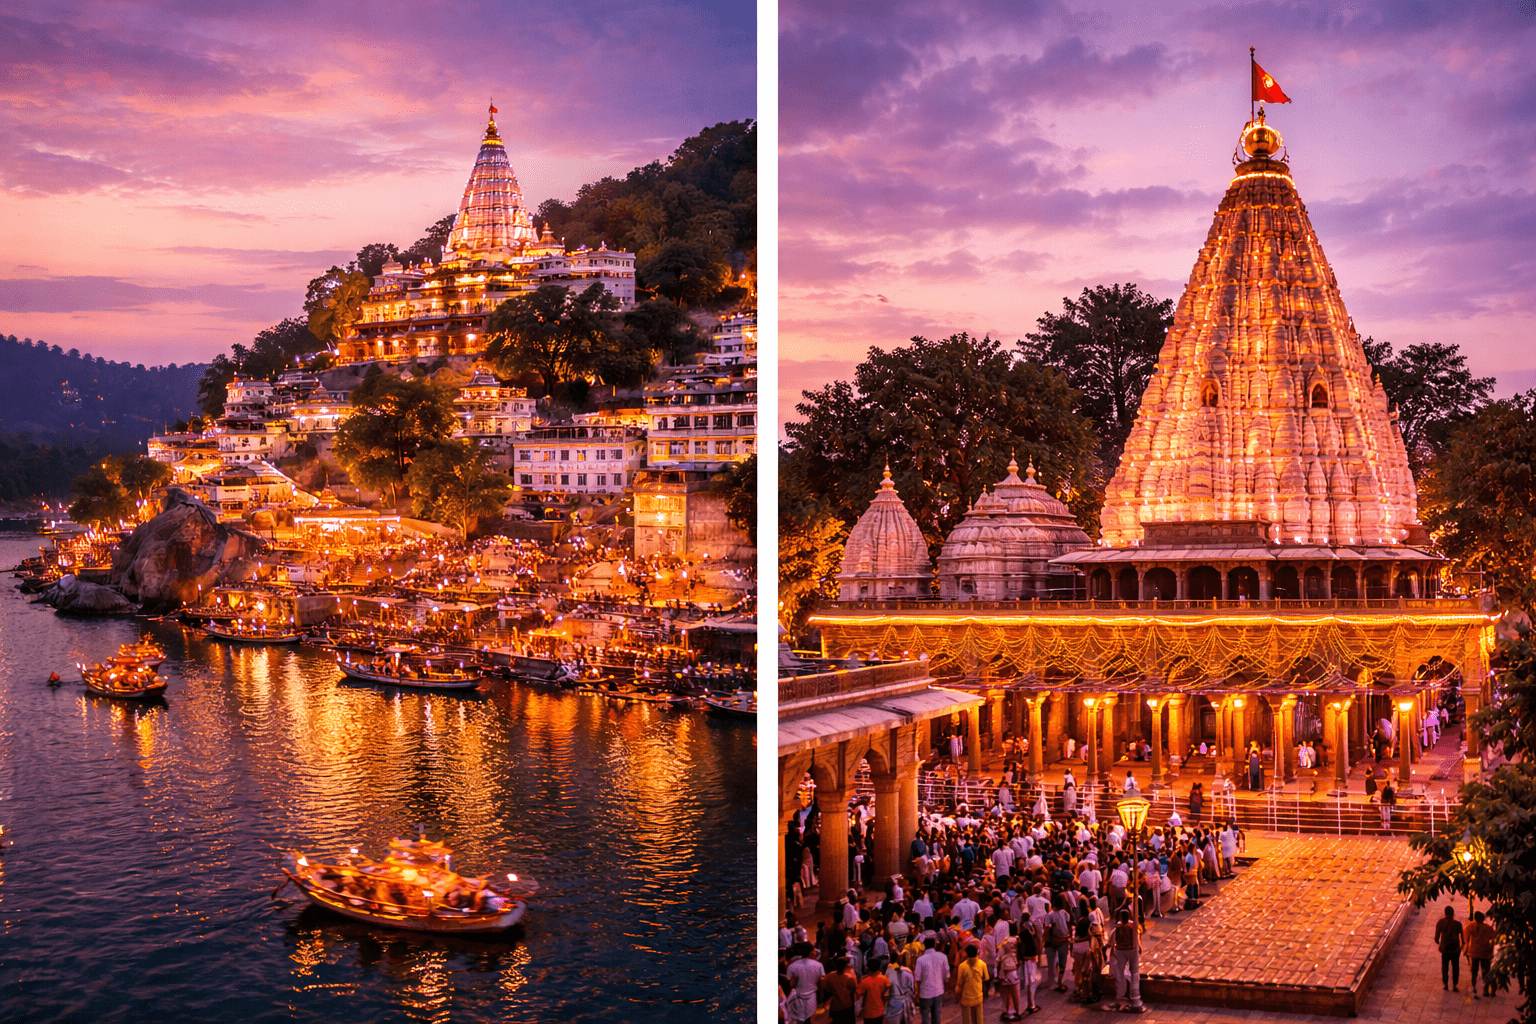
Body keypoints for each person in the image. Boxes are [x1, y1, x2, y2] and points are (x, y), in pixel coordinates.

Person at [1107, 908, 1141, 1011]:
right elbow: (1137, 940)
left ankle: (1121, 995)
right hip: (1130, 950)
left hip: (1121, 951)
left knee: (1121, 972)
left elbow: (1111, 943)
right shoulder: (1132, 926)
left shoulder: (1118, 927)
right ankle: (1134, 997)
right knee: (1133, 972)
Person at [784, 942, 825, 1023]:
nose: (815, 951)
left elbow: (791, 983)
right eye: (814, 950)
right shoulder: (818, 965)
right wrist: (821, 998)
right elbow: (821, 984)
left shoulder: (793, 963)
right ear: (810, 952)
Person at [914, 936, 949, 1024]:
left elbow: (917, 978)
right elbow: (946, 975)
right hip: (938, 990)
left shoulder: (920, 960)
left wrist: (917, 993)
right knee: (937, 1015)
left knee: (925, 1017)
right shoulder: (943, 956)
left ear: (924, 946)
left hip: (925, 993)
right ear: (934, 944)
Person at [955, 945, 990, 1024]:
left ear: (967, 953)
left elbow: (959, 984)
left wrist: (957, 995)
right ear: (977, 952)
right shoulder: (982, 964)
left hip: (965, 998)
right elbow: (986, 978)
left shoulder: (962, 966)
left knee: (966, 1019)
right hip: (978, 996)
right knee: (979, 1019)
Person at [820, 957, 860, 1024]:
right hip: (847, 1005)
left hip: (835, 1005)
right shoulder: (849, 977)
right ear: (845, 966)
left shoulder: (830, 975)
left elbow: (824, 986)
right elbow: (854, 988)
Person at [1465, 911, 1495, 998]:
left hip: (1474, 953)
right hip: (1485, 953)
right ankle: (1485, 990)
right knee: (1485, 972)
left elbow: (1465, 937)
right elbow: (1493, 936)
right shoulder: (1487, 928)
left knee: (1474, 972)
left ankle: (1474, 986)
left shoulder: (1470, 926)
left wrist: (1466, 947)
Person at [997, 921, 1023, 1020]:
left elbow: (999, 954)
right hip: (1013, 967)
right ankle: (1017, 1011)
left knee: (1007, 992)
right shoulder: (1017, 940)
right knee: (1015, 992)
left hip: (1005, 968)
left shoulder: (1005, 941)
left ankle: (1008, 1011)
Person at [1435, 906, 1464, 991]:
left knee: (1445, 966)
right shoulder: (1458, 924)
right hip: (1455, 949)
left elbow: (1436, 938)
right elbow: (1462, 938)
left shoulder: (1440, 923)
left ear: (1445, 913)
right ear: (1453, 913)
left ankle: (1446, 984)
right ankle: (1455, 985)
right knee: (1455, 967)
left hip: (1445, 948)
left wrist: (1440, 943)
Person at [857, 957, 891, 1024]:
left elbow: (857, 994)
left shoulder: (865, 981)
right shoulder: (884, 979)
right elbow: (887, 993)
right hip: (881, 1010)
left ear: (868, 968)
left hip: (868, 1013)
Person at [883, 957, 916, 1024]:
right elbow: (913, 989)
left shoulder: (890, 972)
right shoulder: (908, 972)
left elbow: (886, 989)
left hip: (894, 1004)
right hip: (907, 1003)